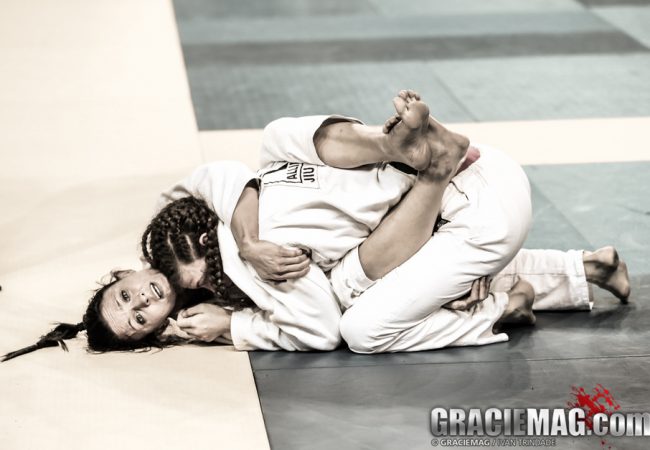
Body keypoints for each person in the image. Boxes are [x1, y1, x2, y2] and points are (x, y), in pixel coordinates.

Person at [1, 92, 630, 360]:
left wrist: (238, 316)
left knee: (360, 318)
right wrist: (241, 255)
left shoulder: (247, 265)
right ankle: (585, 269)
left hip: (470, 206)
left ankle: (500, 305)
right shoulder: (223, 206)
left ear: (124, 273)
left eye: (125, 296)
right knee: (279, 144)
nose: (142, 301)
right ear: (159, 328)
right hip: (480, 185)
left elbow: (322, 330)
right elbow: (217, 175)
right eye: (140, 317)